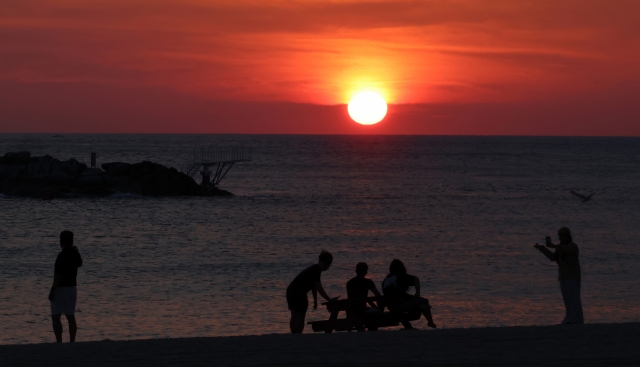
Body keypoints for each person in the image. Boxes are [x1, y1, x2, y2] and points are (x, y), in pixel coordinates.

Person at [534, 227, 584, 324]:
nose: (561, 238)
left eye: (562, 236)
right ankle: (570, 319)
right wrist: (542, 248)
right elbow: (553, 257)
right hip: (563, 278)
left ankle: (576, 321)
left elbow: (566, 249)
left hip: (572, 278)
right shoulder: (560, 249)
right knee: (567, 301)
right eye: (560, 236)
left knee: (574, 301)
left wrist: (553, 245)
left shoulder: (573, 246)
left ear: (568, 236)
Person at [286, 250, 337, 334]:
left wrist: (315, 300)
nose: (328, 268)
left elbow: (314, 287)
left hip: (291, 290)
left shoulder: (314, 269)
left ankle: (294, 335)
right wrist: (329, 299)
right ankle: (298, 334)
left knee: (294, 315)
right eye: (329, 265)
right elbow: (319, 288)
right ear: (325, 263)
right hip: (298, 292)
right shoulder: (316, 271)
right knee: (300, 315)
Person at [48, 230, 83, 343]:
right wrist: (76, 251)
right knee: (70, 316)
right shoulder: (75, 254)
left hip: (61, 288)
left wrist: (53, 289)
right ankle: (72, 341)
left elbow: (58, 274)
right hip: (72, 288)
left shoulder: (62, 256)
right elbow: (80, 263)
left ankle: (59, 341)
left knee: (56, 317)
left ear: (61, 241)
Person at [381, 259, 436, 329]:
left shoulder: (385, 280)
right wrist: (417, 293)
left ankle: (419, 308)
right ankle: (430, 322)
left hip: (391, 306)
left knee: (418, 303)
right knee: (423, 301)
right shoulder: (401, 276)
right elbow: (415, 279)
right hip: (401, 304)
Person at [346, 262, 382, 331]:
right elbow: (377, 294)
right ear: (365, 272)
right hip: (362, 310)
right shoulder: (368, 282)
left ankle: (361, 329)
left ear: (356, 271)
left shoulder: (349, 283)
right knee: (378, 313)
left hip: (351, 311)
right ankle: (370, 330)